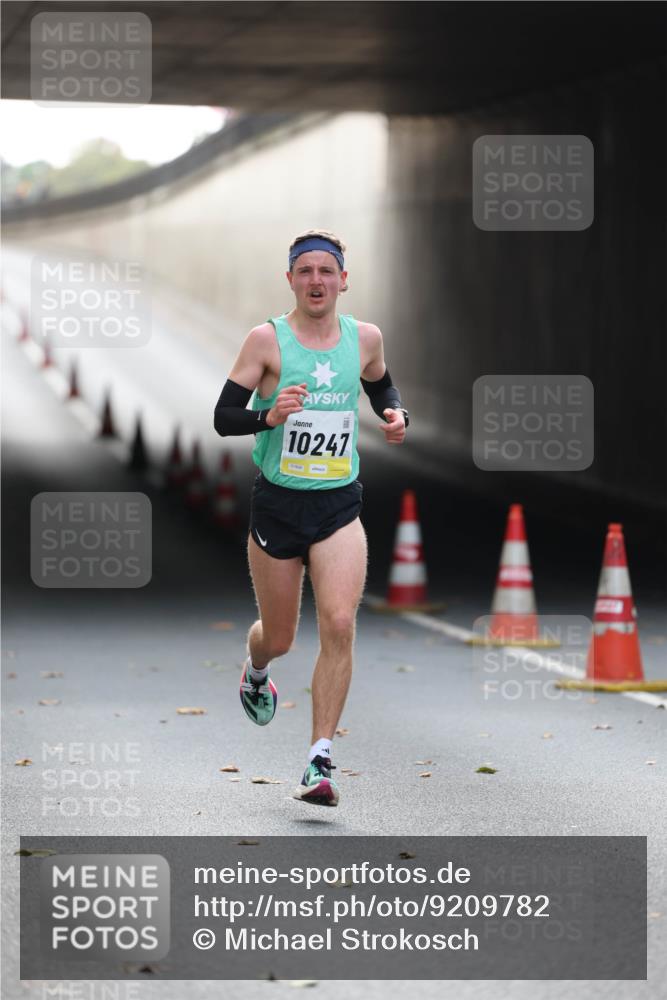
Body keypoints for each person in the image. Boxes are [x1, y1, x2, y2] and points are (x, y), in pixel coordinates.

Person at [214, 229, 408, 806]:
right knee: (279, 637)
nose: (317, 281)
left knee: (340, 622)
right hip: (278, 503)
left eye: (328, 271)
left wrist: (396, 413)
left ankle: (319, 760)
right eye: (306, 271)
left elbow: (380, 386)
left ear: (344, 280)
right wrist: (268, 416)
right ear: (291, 279)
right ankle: (255, 668)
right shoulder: (266, 341)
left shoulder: (365, 339)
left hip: (337, 504)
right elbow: (225, 417)